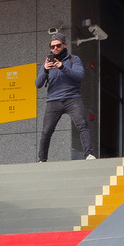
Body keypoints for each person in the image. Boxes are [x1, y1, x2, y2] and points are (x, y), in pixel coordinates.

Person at [37, 33, 95, 161]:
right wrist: (46, 70)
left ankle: (88, 154)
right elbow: (38, 84)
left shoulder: (73, 60)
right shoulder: (47, 63)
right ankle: (42, 159)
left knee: (82, 125)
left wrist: (62, 67)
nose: (55, 49)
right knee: (46, 131)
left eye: (58, 45)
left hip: (73, 98)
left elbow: (79, 76)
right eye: (52, 47)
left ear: (64, 45)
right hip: (53, 100)